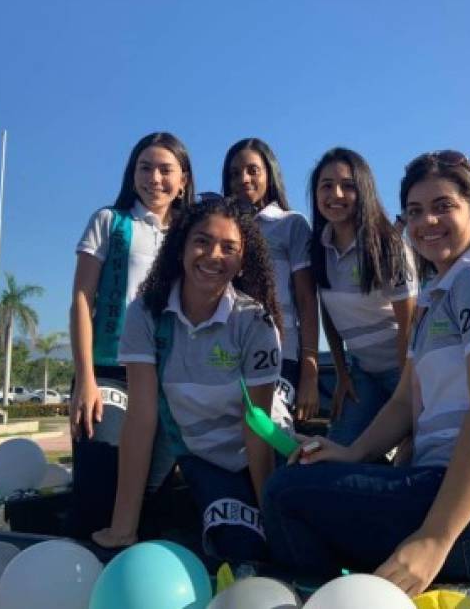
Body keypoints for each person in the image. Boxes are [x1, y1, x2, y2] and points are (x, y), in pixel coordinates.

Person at [263, 150, 470, 594]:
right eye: (415, 211)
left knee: (285, 495)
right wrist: (349, 452)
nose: (427, 222)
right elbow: (403, 401)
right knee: (302, 477)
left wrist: (435, 539)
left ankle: (324, 599)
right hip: (447, 493)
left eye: (443, 207)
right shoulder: (439, 292)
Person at [92, 197, 283, 562]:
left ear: (243, 260)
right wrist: (123, 527)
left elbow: (257, 428)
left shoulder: (255, 322)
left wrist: (269, 515)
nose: (213, 255)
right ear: (180, 246)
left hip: (264, 455)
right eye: (202, 241)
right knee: (235, 548)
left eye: (229, 248)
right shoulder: (145, 313)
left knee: (267, 549)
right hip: (205, 459)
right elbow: (142, 417)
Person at [68, 132, 195, 538]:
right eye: (145, 167)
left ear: (183, 180)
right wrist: (85, 380)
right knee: (99, 484)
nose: (154, 178)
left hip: (165, 376)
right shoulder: (109, 221)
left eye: (165, 169)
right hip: (109, 371)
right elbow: (81, 302)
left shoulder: (192, 235)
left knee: (150, 490)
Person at [308, 147, 416, 447]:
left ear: (364, 189)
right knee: (338, 448)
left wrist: (405, 391)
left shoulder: (387, 244)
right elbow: (328, 313)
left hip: (403, 370)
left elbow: (408, 324)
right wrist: (342, 373)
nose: (336, 194)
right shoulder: (318, 246)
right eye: (326, 186)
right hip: (362, 373)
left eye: (348, 185)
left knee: (413, 457)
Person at [222, 138, 320, 423]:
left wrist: (309, 372)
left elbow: (306, 299)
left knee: (269, 430)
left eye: (253, 170)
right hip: (228, 351)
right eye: (234, 173)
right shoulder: (221, 227)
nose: (243, 179)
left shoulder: (291, 224)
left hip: (282, 353)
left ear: (270, 173)